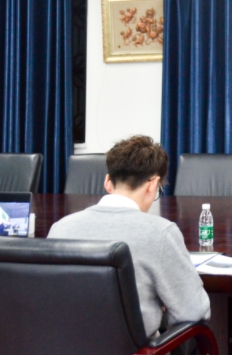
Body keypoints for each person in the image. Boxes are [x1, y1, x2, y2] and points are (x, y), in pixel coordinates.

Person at [48, 136, 210, 339]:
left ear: (108, 182)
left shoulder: (60, 229)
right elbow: (194, 312)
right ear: (153, 185)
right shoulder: (161, 233)